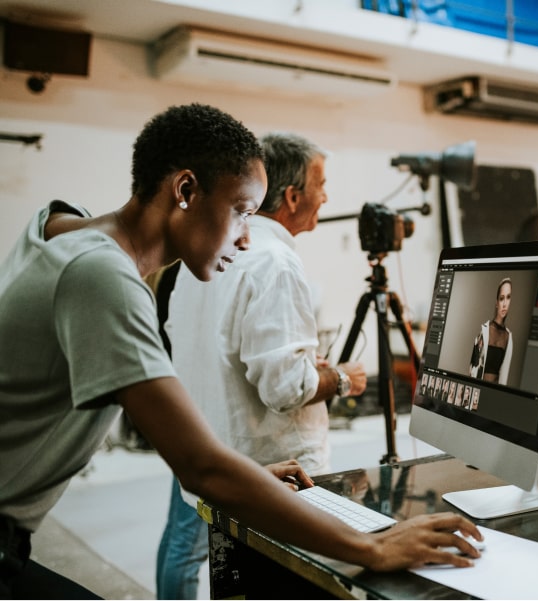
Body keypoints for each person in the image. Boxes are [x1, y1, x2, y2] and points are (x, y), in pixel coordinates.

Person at [0, 103, 481, 599]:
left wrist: (244, 475)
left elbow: (192, 452)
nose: (247, 236)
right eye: (243, 212)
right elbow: (201, 466)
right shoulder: (103, 277)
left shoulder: (60, 227)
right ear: (185, 191)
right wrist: (371, 547)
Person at [154, 132, 368, 599]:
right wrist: (341, 379)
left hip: (206, 445)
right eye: (321, 184)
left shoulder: (200, 257)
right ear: (292, 196)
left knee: (207, 568)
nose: (326, 195)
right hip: (268, 471)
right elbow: (285, 388)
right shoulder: (276, 263)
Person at [468, 277, 514, 385]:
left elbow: (504, 377)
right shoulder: (484, 330)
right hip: (477, 390)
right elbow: (472, 369)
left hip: (493, 394)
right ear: (497, 302)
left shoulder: (508, 337)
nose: (505, 304)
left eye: (508, 297)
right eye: (502, 298)